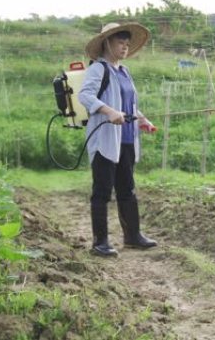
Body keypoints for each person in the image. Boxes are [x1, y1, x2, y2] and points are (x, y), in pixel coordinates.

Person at [78, 22, 158, 257]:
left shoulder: (124, 72)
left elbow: (129, 105)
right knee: (102, 191)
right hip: (105, 139)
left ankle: (132, 236)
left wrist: (142, 120)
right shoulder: (98, 69)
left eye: (126, 43)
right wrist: (109, 112)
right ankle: (100, 242)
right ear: (107, 43)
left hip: (126, 139)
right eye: (120, 43)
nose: (124, 47)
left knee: (127, 189)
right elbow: (85, 95)